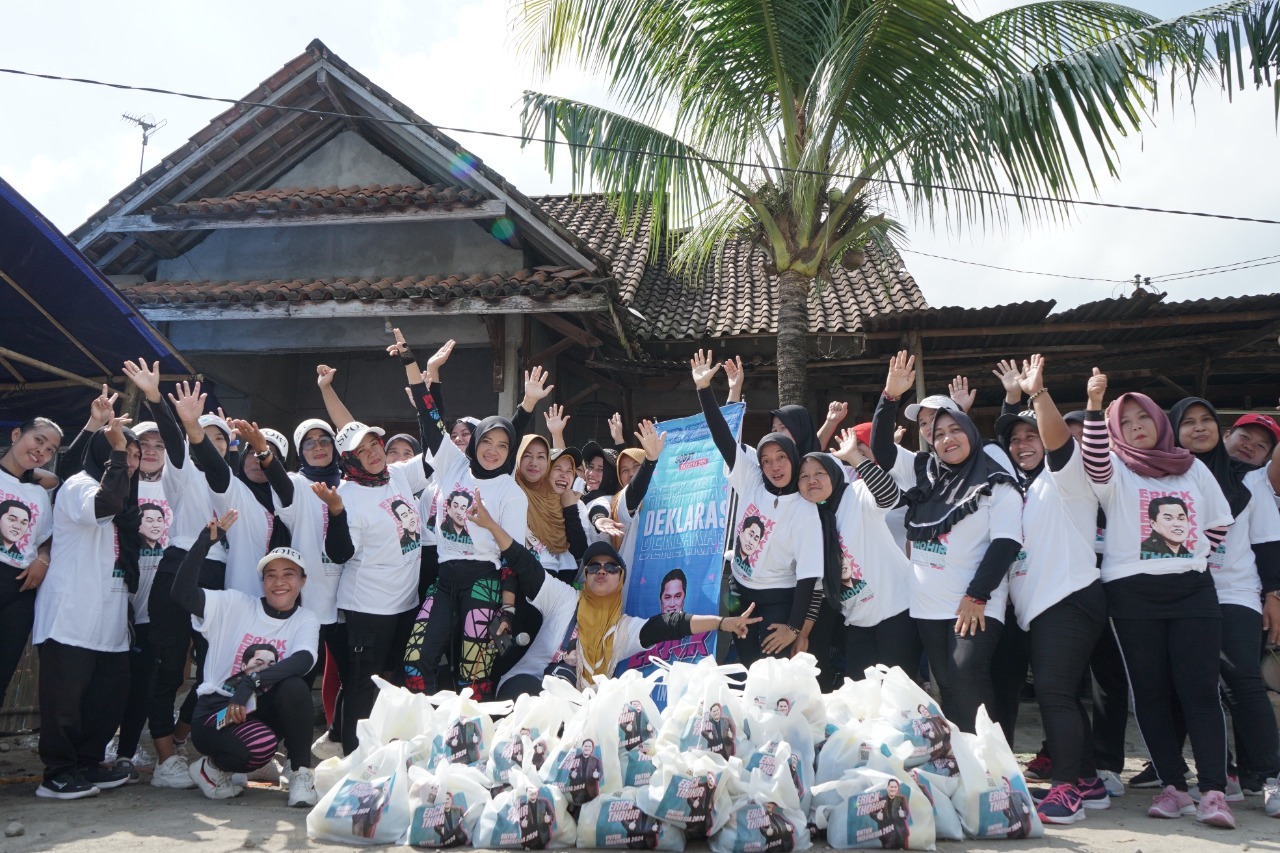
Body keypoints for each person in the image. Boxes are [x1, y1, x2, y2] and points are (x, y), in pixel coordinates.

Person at [1080, 370, 1237, 828]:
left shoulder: (1193, 467)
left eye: (1142, 418)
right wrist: (1095, 405)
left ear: (1159, 420)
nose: (1136, 427)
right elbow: (1093, 460)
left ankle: (1213, 791)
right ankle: (1173, 787)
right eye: (1125, 422)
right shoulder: (1115, 469)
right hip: (1131, 593)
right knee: (1149, 692)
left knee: (1199, 691)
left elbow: (1217, 523)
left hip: (1192, 591)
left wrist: (1187, 555)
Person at [482, 485, 760, 698]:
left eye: (611, 567)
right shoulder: (563, 598)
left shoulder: (623, 630)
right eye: (593, 566)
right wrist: (491, 525)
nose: (601, 571)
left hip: (574, 709)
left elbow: (671, 624)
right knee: (537, 696)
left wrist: (723, 623)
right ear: (586, 575)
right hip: (526, 690)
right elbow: (524, 563)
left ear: (621, 579)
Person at [871, 351, 1022, 734]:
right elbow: (883, 451)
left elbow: (1006, 543)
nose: (944, 438)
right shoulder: (924, 471)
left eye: (954, 429)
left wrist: (976, 596)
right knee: (949, 686)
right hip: (928, 605)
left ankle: (992, 760)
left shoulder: (995, 478)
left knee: (967, 672)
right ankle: (964, 761)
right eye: (936, 433)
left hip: (974, 601)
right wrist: (890, 397)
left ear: (969, 429)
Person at [991, 355, 1110, 824]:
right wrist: (1012, 403)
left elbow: (1059, 442)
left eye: (1031, 437)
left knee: (1055, 695)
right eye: (1015, 439)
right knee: (1060, 695)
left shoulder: (1065, 478)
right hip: (1039, 608)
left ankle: (1065, 790)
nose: (1022, 445)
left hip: (1069, 599)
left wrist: (1037, 394)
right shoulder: (1019, 489)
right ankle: (1088, 780)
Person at [397, 340, 528, 700]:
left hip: (484, 581)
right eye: (488, 441)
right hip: (444, 578)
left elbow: (513, 558)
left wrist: (508, 609)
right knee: (415, 661)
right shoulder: (453, 465)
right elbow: (430, 420)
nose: (493, 450)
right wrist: (412, 364)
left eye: (503, 445)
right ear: (476, 441)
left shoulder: (511, 492)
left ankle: (469, 733)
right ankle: (428, 726)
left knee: (474, 674)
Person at [1170, 396, 1280, 810]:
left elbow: (1267, 544)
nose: (1199, 428)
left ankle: (1272, 776)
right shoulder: (1169, 473)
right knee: (1191, 687)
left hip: (1234, 592)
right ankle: (1219, 775)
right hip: (1182, 594)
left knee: (1242, 682)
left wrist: (1274, 595)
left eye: (1207, 420)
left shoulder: (1253, 483)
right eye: (1189, 422)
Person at [175, 514, 320, 805]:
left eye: (289, 574)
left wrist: (251, 681)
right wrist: (203, 544)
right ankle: (212, 768)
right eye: (271, 575)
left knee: (294, 687)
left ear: (303, 580)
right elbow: (182, 594)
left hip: (256, 705)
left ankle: (300, 772)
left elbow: (304, 659)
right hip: (217, 711)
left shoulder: (305, 619)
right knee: (260, 745)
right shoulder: (235, 605)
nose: (279, 582)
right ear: (262, 581)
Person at [691, 350, 824, 665]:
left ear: (793, 458)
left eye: (781, 458)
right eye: (766, 460)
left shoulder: (806, 509)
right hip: (738, 591)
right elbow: (724, 439)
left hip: (778, 599)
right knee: (744, 665)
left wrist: (794, 627)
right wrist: (704, 390)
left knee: (770, 672)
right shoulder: (751, 479)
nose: (774, 467)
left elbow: (808, 577)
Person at [33, 415, 138, 799]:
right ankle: (58, 774)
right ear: (104, 452)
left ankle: (87, 763)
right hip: (71, 615)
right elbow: (103, 507)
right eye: (122, 451)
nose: (130, 461)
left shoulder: (128, 499)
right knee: (65, 701)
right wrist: (116, 453)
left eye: (134, 455)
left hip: (108, 620)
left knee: (107, 697)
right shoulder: (81, 485)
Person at [798, 430, 912, 679]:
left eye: (819, 473)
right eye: (804, 476)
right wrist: (803, 633)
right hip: (858, 622)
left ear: (834, 473)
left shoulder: (856, 493)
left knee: (899, 693)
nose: (812, 480)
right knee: (860, 694)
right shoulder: (810, 521)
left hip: (897, 612)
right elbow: (816, 583)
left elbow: (889, 496)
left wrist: (855, 458)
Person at [271, 412, 348, 761]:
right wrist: (264, 453)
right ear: (300, 451)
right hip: (310, 602)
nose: (318, 447)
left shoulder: (351, 484)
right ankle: (287, 753)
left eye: (325, 440)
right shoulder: (296, 484)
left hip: (348, 599)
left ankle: (338, 739)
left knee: (351, 677)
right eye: (309, 443)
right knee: (300, 680)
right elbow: (277, 477)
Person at [0, 416, 60, 715]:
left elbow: (44, 540)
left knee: (3, 672)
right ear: (16, 434)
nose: (42, 451)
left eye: (50, 450)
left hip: (21, 587)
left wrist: (43, 558)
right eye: (38, 440)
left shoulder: (38, 493)